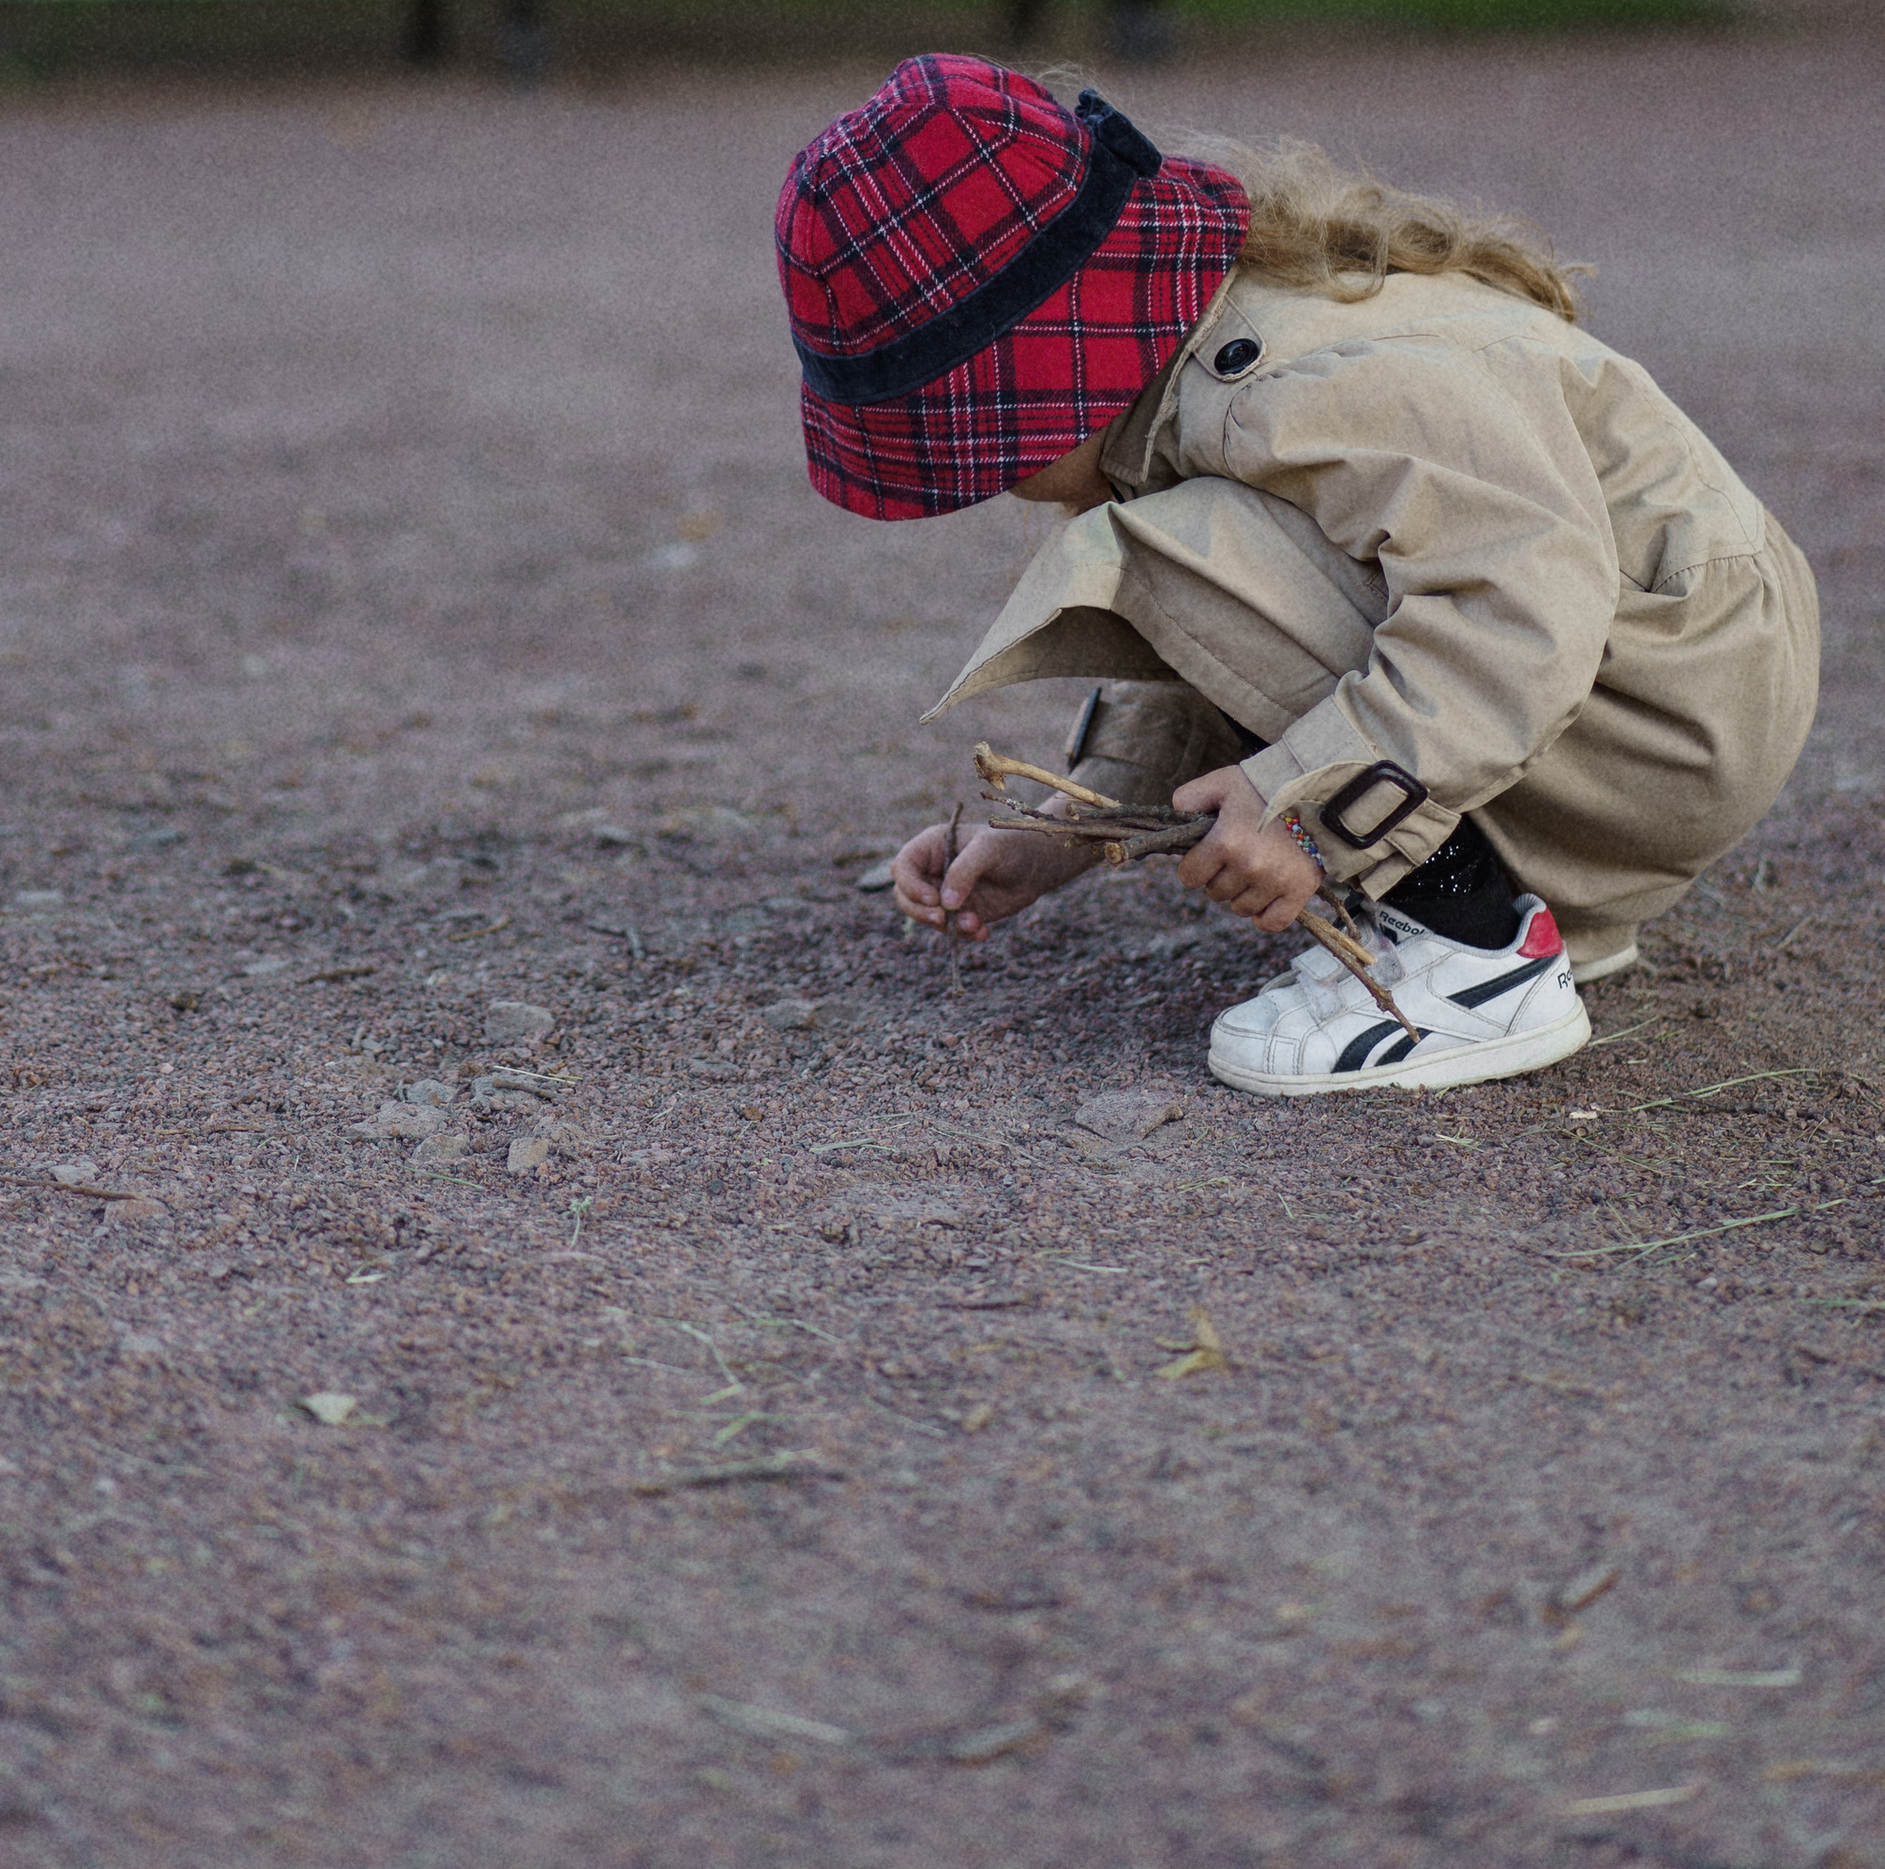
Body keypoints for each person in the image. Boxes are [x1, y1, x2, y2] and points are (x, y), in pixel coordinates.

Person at [776, 56, 1819, 1099]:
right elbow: (1243, 627)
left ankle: (1475, 958)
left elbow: (1518, 605)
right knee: (1178, 539)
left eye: (986, 448)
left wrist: (1302, 809)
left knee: (1155, 544)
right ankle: (1525, 907)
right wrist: (1071, 825)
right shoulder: (1222, 344)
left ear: (1051, 363)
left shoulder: (1293, 388)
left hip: (1659, 719)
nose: (1001, 488)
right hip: (1643, 697)